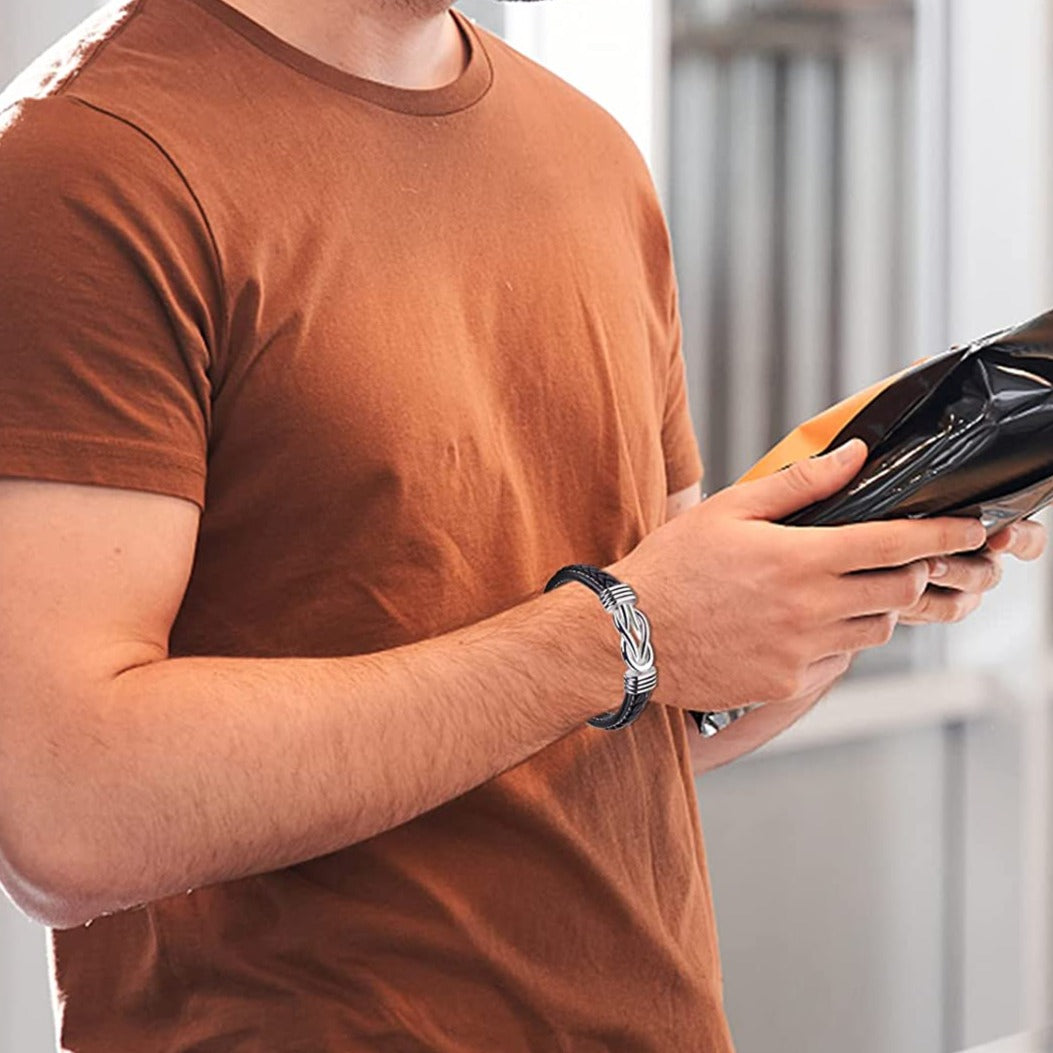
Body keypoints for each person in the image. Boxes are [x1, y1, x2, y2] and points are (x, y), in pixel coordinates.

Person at [0, 0, 1045, 1049]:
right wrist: (620, 632)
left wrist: (836, 594)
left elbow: (646, 710)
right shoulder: (84, 163)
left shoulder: (588, 155)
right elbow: (67, 809)